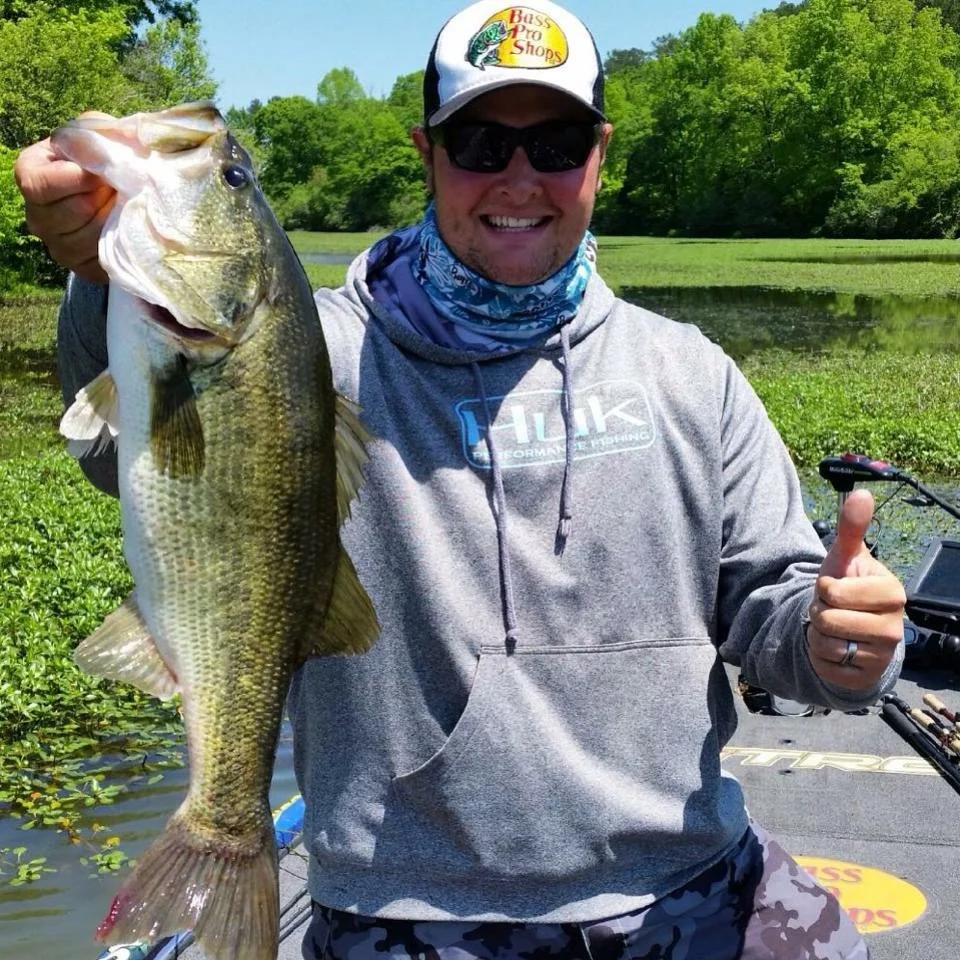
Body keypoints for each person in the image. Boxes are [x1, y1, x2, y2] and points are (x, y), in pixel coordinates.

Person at [15, 1, 907, 957]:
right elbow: (120, 445)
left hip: (682, 881)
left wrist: (834, 639)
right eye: (482, 142)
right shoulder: (315, 353)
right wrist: (97, 267)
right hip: (404, 908)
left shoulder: (690, 373)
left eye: (556, 141)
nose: (520, 178)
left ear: (600, 154)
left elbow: (769, 606)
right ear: (427, 152)